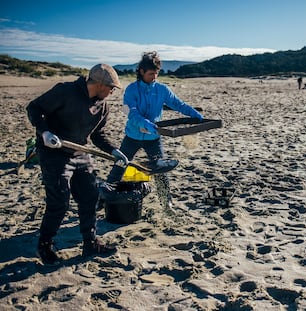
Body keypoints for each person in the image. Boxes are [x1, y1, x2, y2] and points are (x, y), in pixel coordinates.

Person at [26, 64, 129, 265]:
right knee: (60, 201)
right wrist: (45, 133)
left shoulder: (102, 106)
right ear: (99, 84)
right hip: (53, 152)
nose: (112, 92)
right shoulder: (65, 91)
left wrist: (114, 151)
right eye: (111, 88)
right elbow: (34, 108)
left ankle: (90, 244)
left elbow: (98, 135)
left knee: (90, 196)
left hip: (80, 152)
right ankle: (44, 245)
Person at [106, 51, 203, 209]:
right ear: (141, 72)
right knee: (120, 165)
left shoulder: (162, 89)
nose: (154, 77)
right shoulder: (131, 90)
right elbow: (132, 113)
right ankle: (104, 197)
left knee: (160, 169)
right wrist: (146, 124)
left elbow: (178, 104)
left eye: (156, 73)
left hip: (154, 138)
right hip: (132, 136)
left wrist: (193, 113)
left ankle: (167, 203)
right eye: (151, 73)